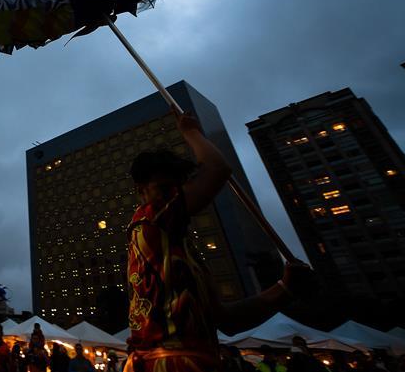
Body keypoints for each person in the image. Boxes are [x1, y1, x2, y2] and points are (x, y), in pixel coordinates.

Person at [124, 111, 316, 372]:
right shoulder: (149, 220)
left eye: (176, 188)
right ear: (141, 191)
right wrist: (190, 131)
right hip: (168, 362)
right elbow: (217, 169)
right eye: (163, 188)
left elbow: (227, 320)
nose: (174, 196)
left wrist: (285, 288)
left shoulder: (182, 257)